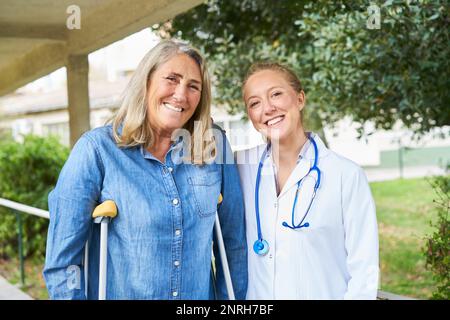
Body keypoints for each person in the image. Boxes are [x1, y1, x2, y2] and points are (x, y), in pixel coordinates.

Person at [43, 40, 247, 300]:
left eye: (193, 86)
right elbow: (63, 261)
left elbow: (234, 246)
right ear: (146, 82)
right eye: (171, 79)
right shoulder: (97, 150)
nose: (181, 95)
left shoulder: (214, 145)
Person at [236, 62, 379, 299]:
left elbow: (364, 270)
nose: (268, 108)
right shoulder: (239, 167)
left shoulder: (346, 175)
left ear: (300, 99)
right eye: (255, 103)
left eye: (276, 94)